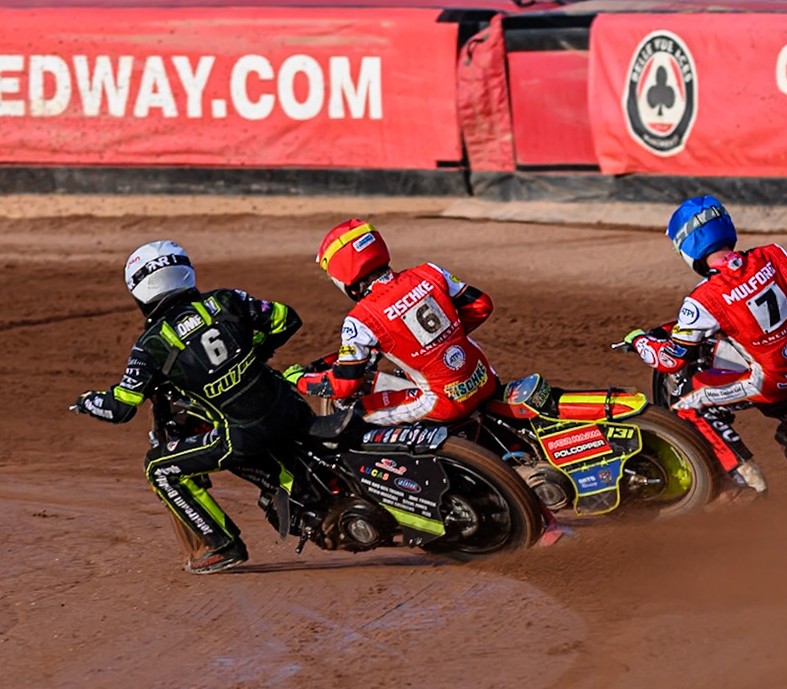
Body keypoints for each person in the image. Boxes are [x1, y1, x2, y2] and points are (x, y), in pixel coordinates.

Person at [72, 240, 310, 574]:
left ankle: (223, 545)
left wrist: (87, 402)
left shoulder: (151, 345)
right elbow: (286, 320)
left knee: (159, 468)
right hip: (290, 406)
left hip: (243, 435)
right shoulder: (226, 299)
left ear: (140, 289)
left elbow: (120, 408)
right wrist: (251, 355)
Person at [624, 196, 787, 495]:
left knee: (687, 405)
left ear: (688, 246)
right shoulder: (774, 254)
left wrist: (639, 340)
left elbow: (671, 361)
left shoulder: (703, 299)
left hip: (774, 382)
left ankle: (745, 479)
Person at [285, 218, 497, 424]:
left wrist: (299, 380)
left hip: (444, 403)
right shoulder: (430, 272)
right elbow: (481, 305)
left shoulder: (360, 319)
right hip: (485, 378)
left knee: (352, 416)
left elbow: (344, 385)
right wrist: (444, 340)